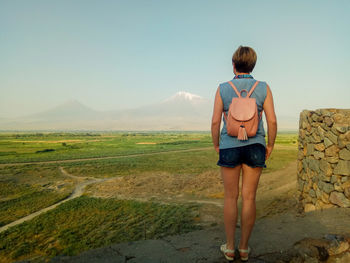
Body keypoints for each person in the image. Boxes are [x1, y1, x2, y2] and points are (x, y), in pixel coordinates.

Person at [211, 45, 277, 261]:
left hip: (229, 146)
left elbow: (214, 121)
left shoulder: (222, 88)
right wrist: (270, 145)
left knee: (231, 197)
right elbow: (272, 120)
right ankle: (245, 248)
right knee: (249, 197)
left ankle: (230, 248)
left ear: (233, 64)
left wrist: (217, 145)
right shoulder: (263, 87)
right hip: (255, 145)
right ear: (253, 65)